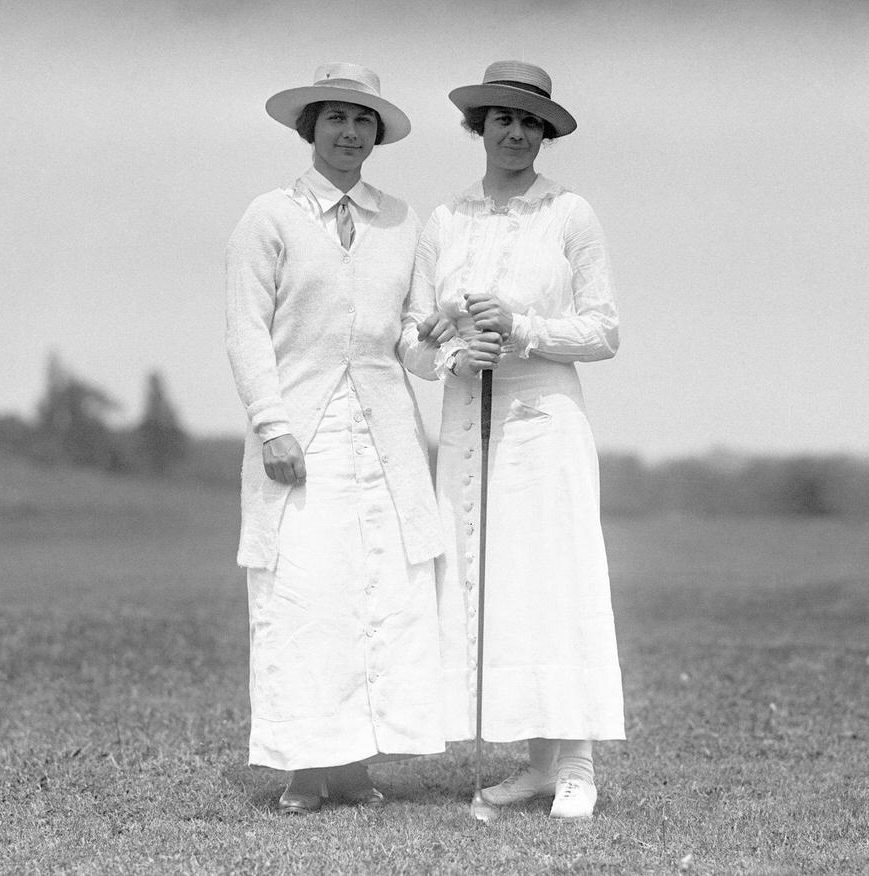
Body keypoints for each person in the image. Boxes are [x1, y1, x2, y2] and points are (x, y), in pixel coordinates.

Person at [225, 63, 452, 814]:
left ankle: (354, 768)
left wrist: (445, 340)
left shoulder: (399, 220)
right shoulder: (271, 216)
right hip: (302, 436)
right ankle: (303, 766)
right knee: (305, 597)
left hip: (384, 436)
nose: (349, 134)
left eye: (363, 122)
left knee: (378, 594)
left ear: (376, 135)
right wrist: (273, 425)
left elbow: (412, 349)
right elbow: (246, 332)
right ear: (310, 129)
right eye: (335, 120)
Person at [407, 61, 626, 820]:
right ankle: (535, 765)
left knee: (553, 580)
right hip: (469, 423)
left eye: (531, 121)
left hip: (544, 419)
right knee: (495, 588)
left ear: (545, 132)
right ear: (480, 126)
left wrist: (522, 327)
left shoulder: (569, 214)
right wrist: (447, 354)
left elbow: (604, 330)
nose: (516, 132)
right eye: (502, 118)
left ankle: (578, 767)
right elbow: (409, 335)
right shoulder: (446, 220)